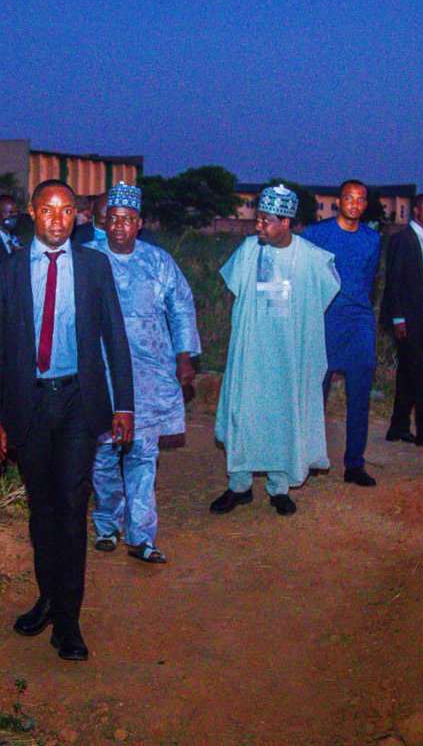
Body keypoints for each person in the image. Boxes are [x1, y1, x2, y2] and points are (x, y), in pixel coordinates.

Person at [0, 179, 134, 662]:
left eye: (67, 211)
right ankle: (48, 596)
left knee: (70, 508)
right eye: (48, 210)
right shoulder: (6, 271)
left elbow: (115, 337)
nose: (57, 220)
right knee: (42, 511)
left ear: (77, 217)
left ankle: (68, 620)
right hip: (29, 405)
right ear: (31, 212)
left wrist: (123, 404)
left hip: (77, 404)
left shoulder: (93, 266)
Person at [86, 182, 200, 564]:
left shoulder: (159, 261)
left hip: (150, 371)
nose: (119, 227)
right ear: (104, 222)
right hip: (101, 371)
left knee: (142, 453)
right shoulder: (87, 258)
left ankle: (141, 536)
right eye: (113, 220)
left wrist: (184, 354)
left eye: (128, 220)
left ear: (139, 224)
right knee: (103, 454)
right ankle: (106, 525)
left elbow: (180, 307)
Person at [210, 185, 340, 515]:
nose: (258, 226)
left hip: (288, 355)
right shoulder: (248, 250)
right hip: (252, 351)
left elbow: (325, 293)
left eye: (265, 221)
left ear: (285, 222)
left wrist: (296, 323)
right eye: (258, 219)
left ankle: (279, 488)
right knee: (245, 412)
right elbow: (237, 290)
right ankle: (239, 486)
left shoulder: (311, 257)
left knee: (285, 415)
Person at [299, 179, 382, 486]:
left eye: (361, 200)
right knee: (314, 394)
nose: (355, 204)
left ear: (365, 204)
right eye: (349, 198)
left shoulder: (372, 239)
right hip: (323, 321)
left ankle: (354, 464)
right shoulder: (317, 234)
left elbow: (369, 280)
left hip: (358, 322)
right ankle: (308, 457)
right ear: (338, 202)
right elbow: (303, 275)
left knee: (359, 395)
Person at [379, 193, 423, 447]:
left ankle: (397, 428)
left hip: (420, 318)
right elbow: (394, 281)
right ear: (417, 211)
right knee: (420, 375)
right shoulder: (402, 239)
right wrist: (398, 318)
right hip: (406, 320)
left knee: (408, 375)